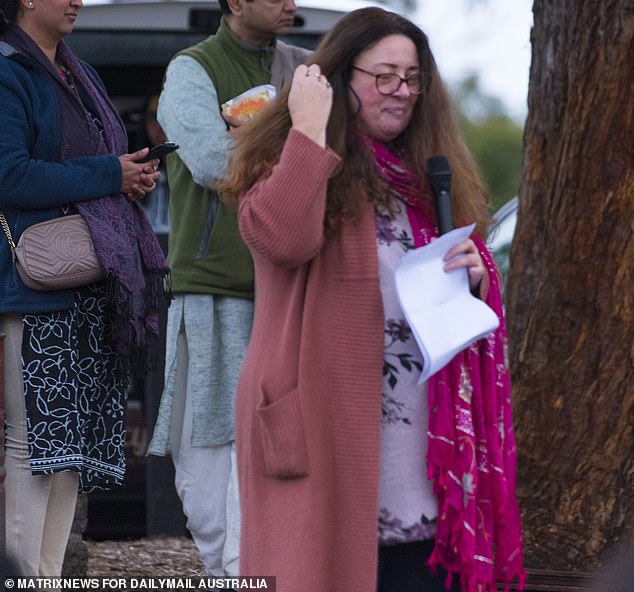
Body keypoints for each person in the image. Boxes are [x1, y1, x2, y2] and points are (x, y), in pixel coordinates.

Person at [219, 7, 525, 592]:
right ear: (340, 77)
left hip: (421, 443)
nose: (402, 92)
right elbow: (283, 240)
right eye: (384, 75)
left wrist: (479, 275)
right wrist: (309, 131)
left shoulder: (427, 179)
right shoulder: (285, 160)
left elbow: (451, 285)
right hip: (324, 425)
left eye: (412, 78)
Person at [0, 0, 168, 577]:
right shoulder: (7, 71)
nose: (77, 0)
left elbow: (98, 169)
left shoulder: (79, 72)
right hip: (34, 287)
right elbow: (9, 175)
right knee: (32, 450)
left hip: (92, 284)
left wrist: (129, 177)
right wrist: (108, 174)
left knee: (67, 458)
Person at [146, 0, 309, 578]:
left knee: (268, 455)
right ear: (235, 2)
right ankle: (232, 571)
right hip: (214, 286)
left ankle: (253, 573)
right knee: (203, 464)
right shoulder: (192, 69)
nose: (291, 2)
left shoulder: (306, 71)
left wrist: (248, 133)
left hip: (293, 293)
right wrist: (295, 148)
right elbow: (215, 164)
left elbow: (341, 162)